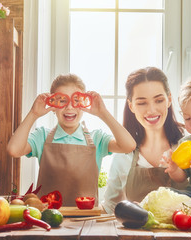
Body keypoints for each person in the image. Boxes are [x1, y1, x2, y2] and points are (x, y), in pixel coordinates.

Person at [7, 73, 136, 206]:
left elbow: (129, 145)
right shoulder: (42, 136)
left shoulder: (96, 138)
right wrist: (33, 114)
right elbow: (14, 150)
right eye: (62, 101)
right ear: (52, 106)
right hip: (48, 219)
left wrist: (102, 113)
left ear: (84, 104)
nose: (69, 107)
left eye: (76, 101)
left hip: (85, 220)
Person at [102, 67, 188, 214]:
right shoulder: (124, 157)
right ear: (131, 106)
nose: (152, 110)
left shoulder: (187, 147)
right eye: (142, 103)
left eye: (159, 100)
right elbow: (110, 207)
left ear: (169, 100)